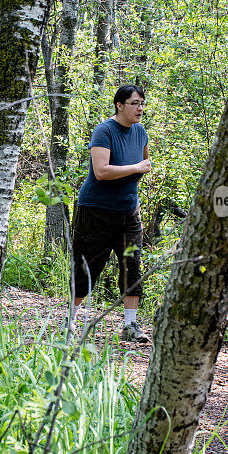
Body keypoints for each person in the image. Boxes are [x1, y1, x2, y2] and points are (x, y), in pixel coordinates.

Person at [69, 84, 151, 343]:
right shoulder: (104, 131)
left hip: (128, 214)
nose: (140, 108)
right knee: (87, 267)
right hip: (96, 212)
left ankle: (130, 325)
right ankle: (70, 322)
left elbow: (145, 166)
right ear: (120, 105)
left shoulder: (141, 133)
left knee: (133, 266)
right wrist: (136, 166)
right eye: (134, 103)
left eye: (142, 103)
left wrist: (134, 198)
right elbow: (101, 171)